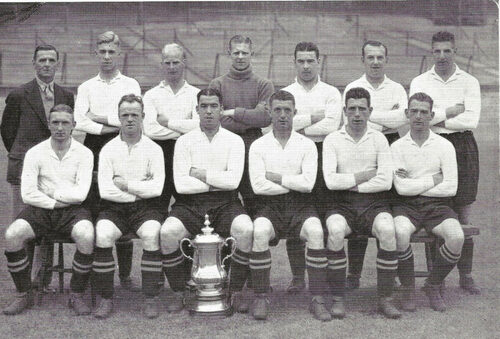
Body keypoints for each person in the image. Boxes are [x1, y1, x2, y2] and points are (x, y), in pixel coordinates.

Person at [160, 88, 254, 314]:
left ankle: (235, 291)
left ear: (221, 109)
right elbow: (181, 185)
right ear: (197, 110)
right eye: (204, 106)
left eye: (214, 106)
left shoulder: (235, 141)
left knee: (245, 228)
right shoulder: (183, 142)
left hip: (226, 203)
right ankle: (179, 291)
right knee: (167, 232)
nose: (209, 111)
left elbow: (232, 182)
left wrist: (199, 173)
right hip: (189, 204)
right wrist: (216, 179)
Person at [3, 104, 94, 316]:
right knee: (12, 235)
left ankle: (77, 294)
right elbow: (27, 193)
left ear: (74, 125)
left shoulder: (85, 153)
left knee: (87, 235)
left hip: (73, 210)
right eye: (55, 122)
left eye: (65, 122)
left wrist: (51, 192)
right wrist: (55, 201)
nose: (60, 127)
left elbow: (80, 194)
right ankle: (24, 293)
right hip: (41, 209)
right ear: (48, 124)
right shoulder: (35, 152)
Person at [249, 90, 330, 322]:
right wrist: (292, 181)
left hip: (301, 206)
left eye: (287, 110)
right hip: (269, 206)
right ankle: (261, 296)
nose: (283, 115)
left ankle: (317, 299)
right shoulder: (258, 145)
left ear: (295, 113)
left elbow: (307, 185)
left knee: (315, 232)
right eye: (277, 110)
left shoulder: (307, 145)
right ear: (269, 112)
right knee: (260, 231)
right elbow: (257, 186)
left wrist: (276, 178)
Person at [410, 31, 481, 294]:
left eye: (447, 51)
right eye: (437, 51)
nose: (442, 56)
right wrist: (451, 111)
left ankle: (466, 275)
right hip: (432, 145)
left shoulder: (469, 81)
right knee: (435, 207)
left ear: (455, 51)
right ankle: (434, 277)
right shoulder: (420, 81)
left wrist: (436, 116)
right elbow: (418, 117)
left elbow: (470, 120)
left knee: (462, 212)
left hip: (462, 147)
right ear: (431, 51)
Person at [1, 44, 75, 289]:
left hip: (54, 169)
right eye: (41, 60)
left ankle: (41, 279)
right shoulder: (19, 94)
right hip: (24, 169)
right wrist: (26, 155)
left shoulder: (65, 95)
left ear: (57, 64)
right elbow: (8, 132)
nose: (46, 64)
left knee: (48, 221)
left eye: (51, 60)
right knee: (25, 224)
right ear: (34, 64)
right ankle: (24, 283)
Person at [323, 87, 400, 319]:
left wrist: (353, 184)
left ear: (370, 111)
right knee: (335, 231)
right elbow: (330, 181)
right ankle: (337, 298)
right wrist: (363, 176)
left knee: (387, 230)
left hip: (374, 203)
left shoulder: (379, 139)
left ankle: (385, 299)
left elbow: (386, 181)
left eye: (362, 109)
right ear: (345, 110)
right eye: (352, 109)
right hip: (341, 204)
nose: (357, 114)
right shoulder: (332, 139)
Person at [74, 31, 142, 290]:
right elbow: (80, 121)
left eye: (111, 52)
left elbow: (134, 117)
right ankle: (96, 271)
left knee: (121, 200)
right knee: (98, 206)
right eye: (102, 52)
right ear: (96, 54)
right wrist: (113, 125)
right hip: (95, 147)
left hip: (125, 146)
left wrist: (99, 118)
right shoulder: (86, 87)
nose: (106, 57)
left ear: (119, 54)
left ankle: (125, 276)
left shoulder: (131, 84)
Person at [343, 40, 409, 290]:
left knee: (386, 211)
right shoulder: (353, 86)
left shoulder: (396, 88)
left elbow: (401, 121)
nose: (375, 62)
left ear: (386, 59)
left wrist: (372, 117)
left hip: (391, 144)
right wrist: (385, 117)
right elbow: (349, 120)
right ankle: (353, 275)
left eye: (380, 57)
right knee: (360, 210)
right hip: (360, 145)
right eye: (370, 57)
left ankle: (390, 273)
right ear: (363, 60)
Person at [92, 94, 165, 319]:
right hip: (113, 209)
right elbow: (105, 190)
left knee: (152, 234)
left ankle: (150, 297)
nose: (130, 119)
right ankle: (105, 298)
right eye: (125, 115)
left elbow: (157, 189)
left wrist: (126, 185)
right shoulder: (108, 149)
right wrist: (138, 190)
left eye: (135, 114)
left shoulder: (154, 149)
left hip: (147, 209)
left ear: (143, 116)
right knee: (103, 235)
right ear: (119, 117)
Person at [392, 92, 464, 312]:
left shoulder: (444, 146)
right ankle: (407, 287)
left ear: (432, 115)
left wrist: (415, 183)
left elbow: (451, 187)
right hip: (406, 206)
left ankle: (432, 285)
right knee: (399, 232)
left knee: (456, 237)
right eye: (414, 111)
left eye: (424, 112)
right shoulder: (396, 147)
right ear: (406, 114)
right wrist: (434, 179)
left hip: (439, 207)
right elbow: (401, 189)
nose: (419, 116)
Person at [279, 42, 342, 293]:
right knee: (297, 216)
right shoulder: (286, 93)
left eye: (310, 61)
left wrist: (299, 124)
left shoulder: (331, 92)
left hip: (323, 153)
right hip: (294, 154)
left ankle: (323, 275)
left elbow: (331, 126)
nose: (306, 66)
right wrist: (313, 117)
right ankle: (297, 277)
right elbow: (280, 126)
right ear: (294, 62)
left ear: (319, 62)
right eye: (301, 61)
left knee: (324, 217)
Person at [209, 35, 274, 217]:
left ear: (251, 53)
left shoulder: (264, 84)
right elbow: (214, 119)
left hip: (252, 146)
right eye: (236, 52)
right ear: (229, 53)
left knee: (254, 201)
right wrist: (249, 118)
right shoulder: (217, 84)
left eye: (244, 52)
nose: (240, 56)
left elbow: (265, 118)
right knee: (225, 202)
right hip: (223, 147)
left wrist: (233, 112)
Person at [143, 43, 200, 208]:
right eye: (167, 63)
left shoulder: (195, 94)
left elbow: (199, 126)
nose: (171, 67)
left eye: (175, 62)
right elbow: (150, 130)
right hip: (161, 153)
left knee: (189, 202)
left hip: (188, 153)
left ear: (184, 62)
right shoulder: (151, 95)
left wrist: (168, 123)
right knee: (158, 203)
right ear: (162, 65)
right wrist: (184, 129)